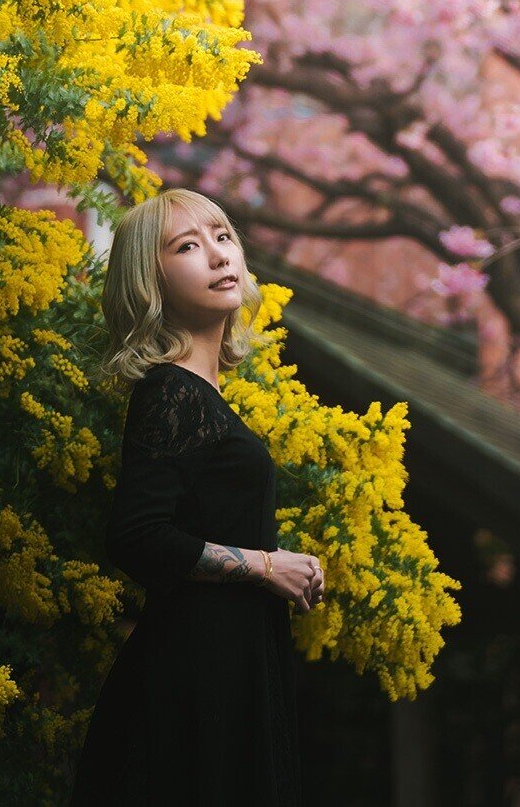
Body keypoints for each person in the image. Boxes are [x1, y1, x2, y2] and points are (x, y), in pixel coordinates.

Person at [68, 188, 324, 805]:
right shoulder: (170, 393)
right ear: (149, 280)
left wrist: (277, 563)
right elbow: (137, 536)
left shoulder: (202, 397)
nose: (216, 255)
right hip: (197, 678)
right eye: (187, 245)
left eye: (222, 236)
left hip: (230, 667)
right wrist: (265, 566)